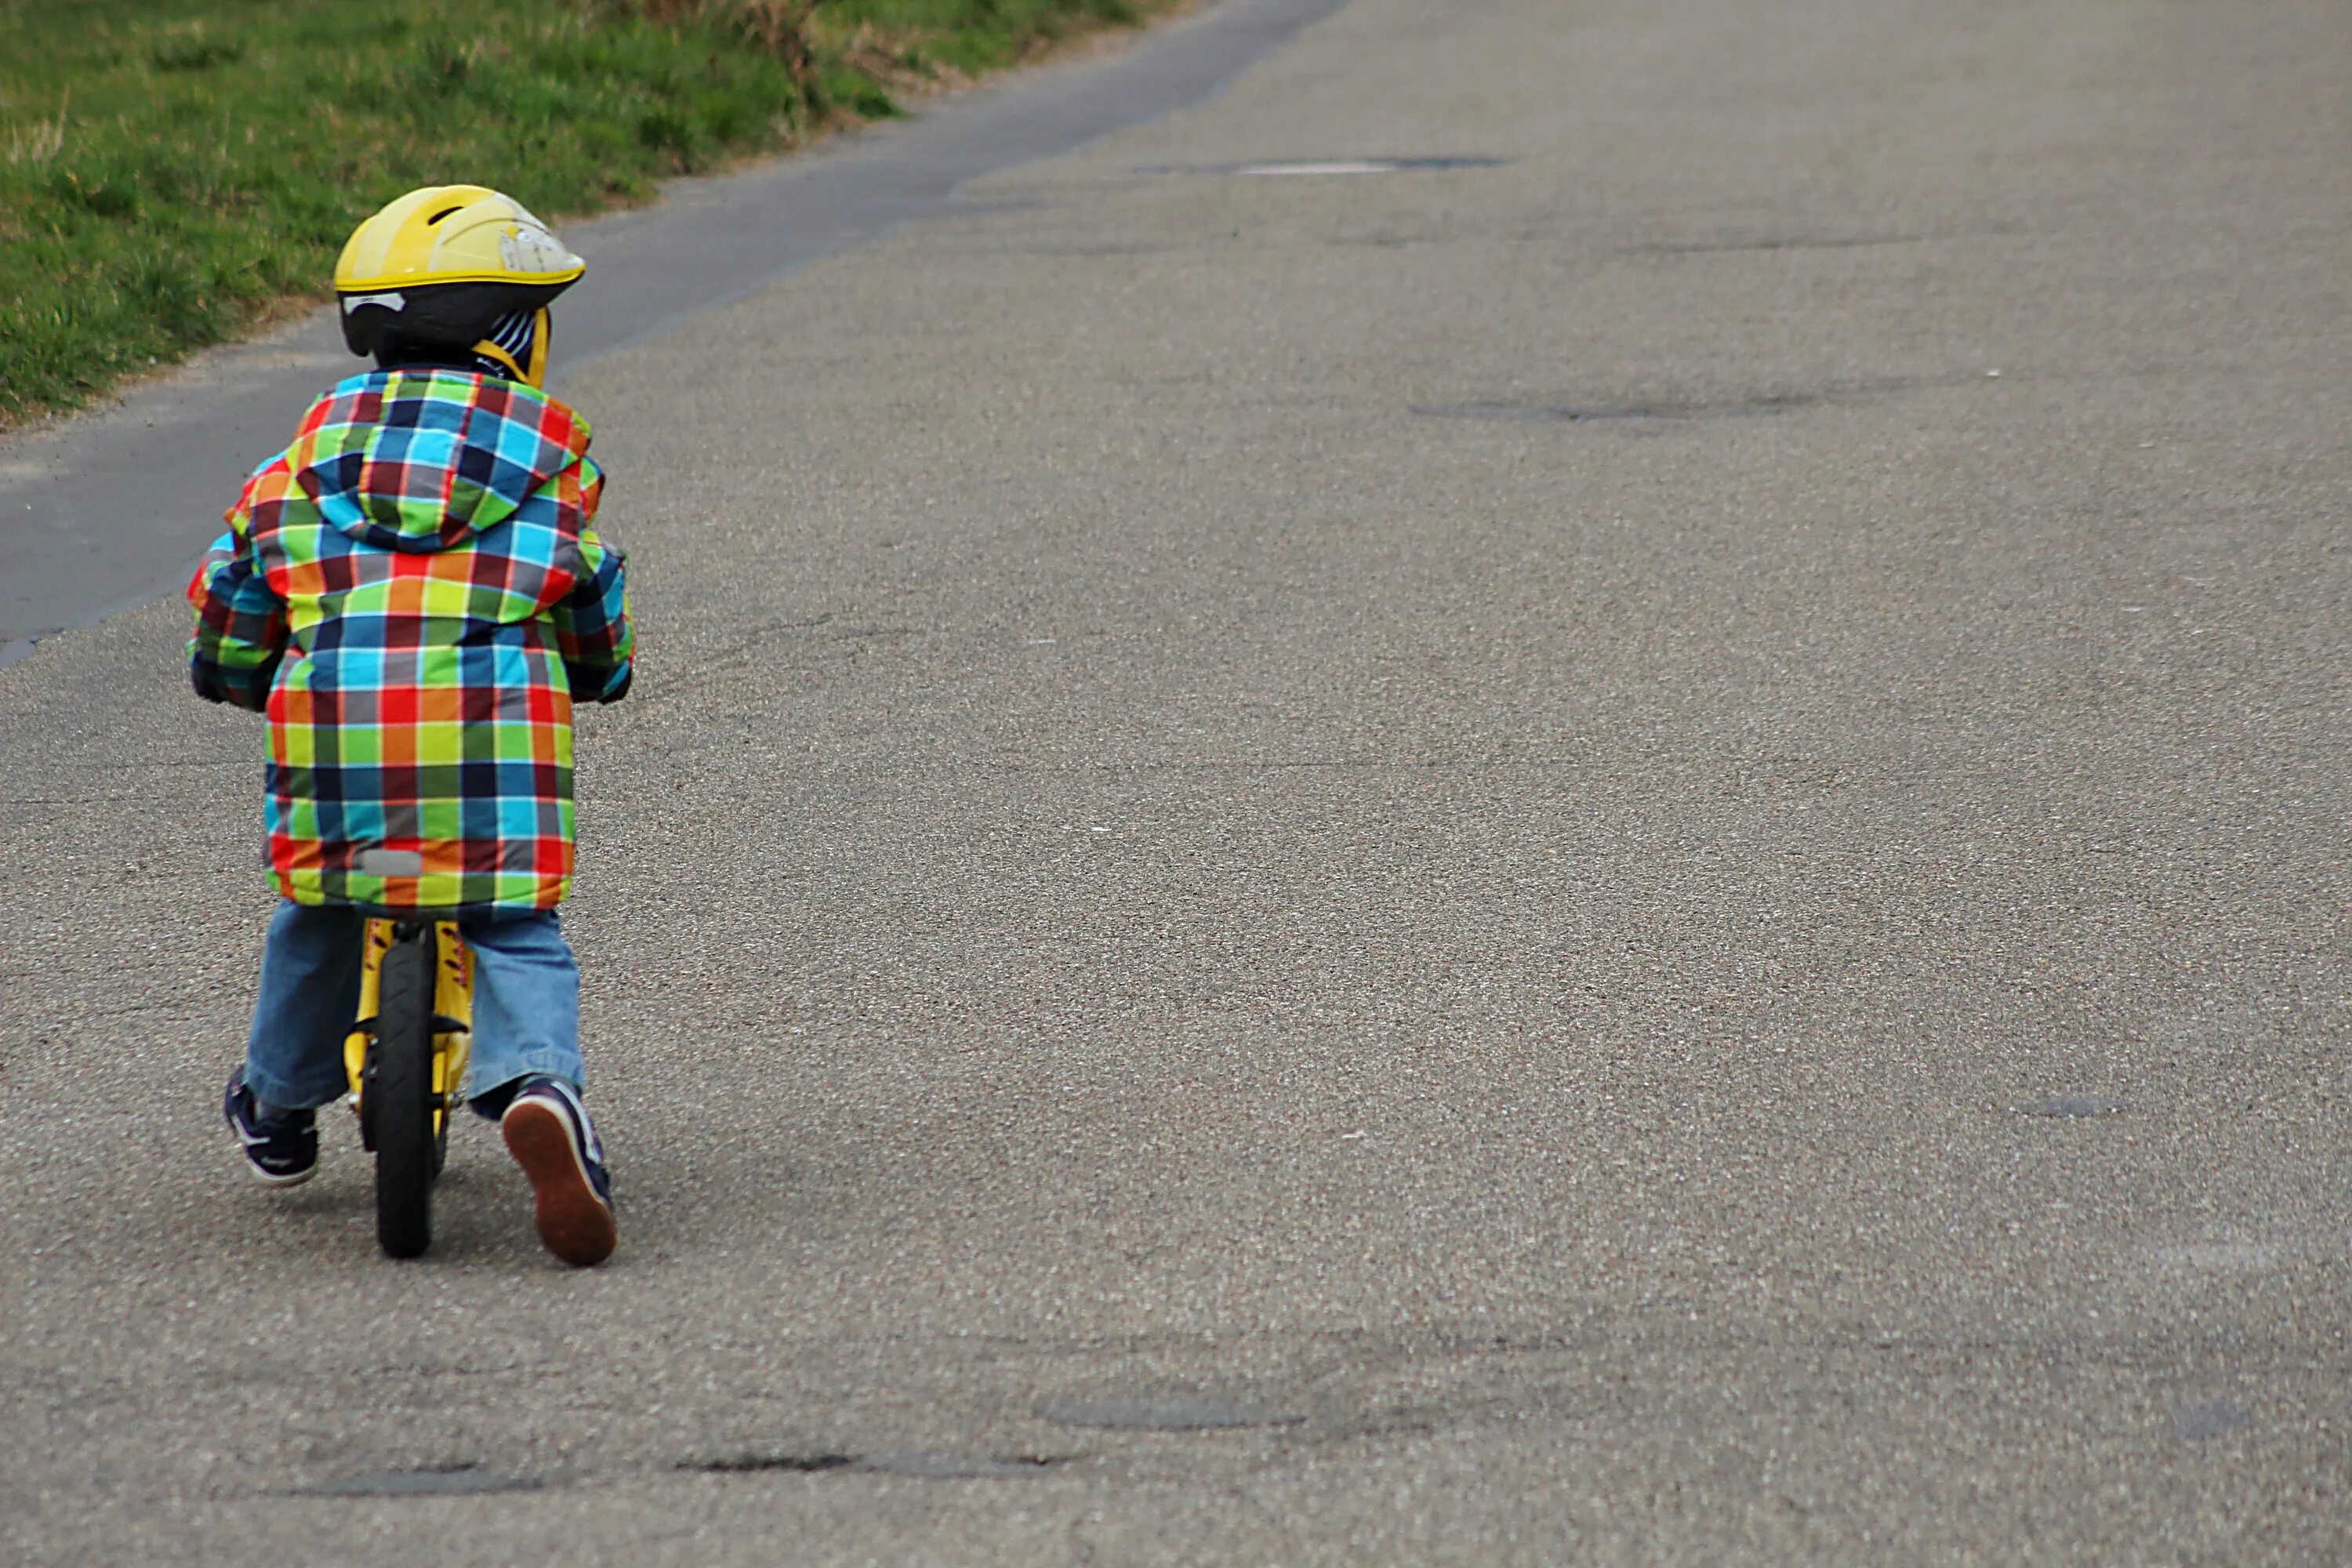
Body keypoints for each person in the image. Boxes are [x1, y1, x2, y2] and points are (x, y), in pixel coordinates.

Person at [187, 186, 633, 1267]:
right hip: (492, 756)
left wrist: (235, 669)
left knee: (319, 908)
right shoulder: (551, 469)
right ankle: (536, 1086)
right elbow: (588, 594)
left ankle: (283, 1104)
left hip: (335, 748)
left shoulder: (296, 467)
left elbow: (233, 593)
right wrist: (598, 667)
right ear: (510, 334)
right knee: (513, 925)